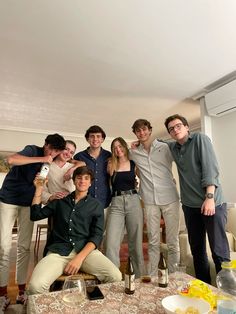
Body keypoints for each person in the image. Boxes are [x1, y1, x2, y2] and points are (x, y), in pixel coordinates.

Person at [28, 166, 122, 295]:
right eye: (79, 178)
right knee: (35, 286)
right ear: (73, 180)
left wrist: (79, 259)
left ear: (90, 182)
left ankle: (96, 306)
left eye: (86, 178)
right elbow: (35, 215)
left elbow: (97, 235)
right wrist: (39, 188)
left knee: (115, 276)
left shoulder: (96, 206)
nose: (82, 181)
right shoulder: (60, 202)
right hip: (58, 252)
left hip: (86, 253)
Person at [0, 133, 66, 310]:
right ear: (45, 145)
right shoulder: (32, 150)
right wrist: (43, 157)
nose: (52, 153)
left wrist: (49, 195)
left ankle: (22, 292)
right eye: (50, 149)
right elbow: (11, 160)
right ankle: (2, 295)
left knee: (24, 247)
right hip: (8, 200)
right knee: (4, 248)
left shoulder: (50, 163)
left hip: (28, 204)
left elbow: (41, 187)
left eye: (56, 151)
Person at [164, 114, 230, 284]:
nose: (175, 130)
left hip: (211, 202)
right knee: (197, 251)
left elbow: (211, 168)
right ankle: (205, 287)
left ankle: (228, 294)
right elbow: (158, 143)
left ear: (187, 127)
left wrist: (209, 197)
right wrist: (140, 144)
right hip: (190, 206)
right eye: (171, 129)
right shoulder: (173, 148)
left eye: (178, 126)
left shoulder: (200, 139)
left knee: (218, 250)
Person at [130, 119, 180, 276]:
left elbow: (182, 159)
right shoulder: (134, 152)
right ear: (135, 134)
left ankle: (174, 275)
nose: (142, 133)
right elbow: (124, 162)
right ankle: (151, 276)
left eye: (144, 129)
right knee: (152, 241)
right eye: (138, 131)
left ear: (150, 130)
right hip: (150, 200)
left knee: (173, 242)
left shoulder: (165, 147)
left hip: (170, 198)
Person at [105, 137, 144, 277]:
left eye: (120, 146)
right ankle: (113, 278)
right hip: (116, 203)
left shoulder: (134, 164)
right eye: (115, 148)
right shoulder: (110, 164)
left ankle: (139, 278)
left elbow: (146, 179)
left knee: (136, 244)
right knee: (110, 243)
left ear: (125, 147)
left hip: (133, 201)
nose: (118, 149)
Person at [73, 125, 111, 226]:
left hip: (104, 203)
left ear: (102, 139)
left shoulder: (109, 156)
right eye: (92, 136)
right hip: (84, 203)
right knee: (84, 233)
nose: (95, 139)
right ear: (87, 139)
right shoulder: (79, 156)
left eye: (98, 136)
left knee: (101, 234)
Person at [41, 140, 85, 204]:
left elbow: (82, 187)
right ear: (60, 148)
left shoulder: (75, 168)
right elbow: (40, 188)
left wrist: (71, 194)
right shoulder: (46, 167)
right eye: (66, 149)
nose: (68, 154)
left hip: (72, 204)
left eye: (71, 152)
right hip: (54, 205)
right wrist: (51, 197)